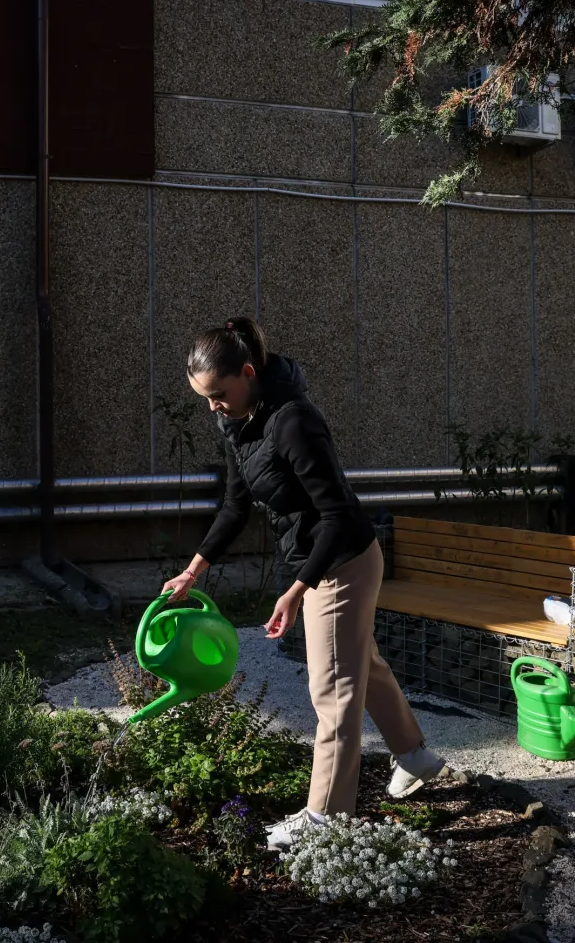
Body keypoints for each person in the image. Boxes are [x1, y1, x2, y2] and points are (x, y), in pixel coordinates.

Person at [160, 317, 446, 850]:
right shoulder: (238, 422)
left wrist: (296, 589)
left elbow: (336, 515)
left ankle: (324, 819)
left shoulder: (295, 423)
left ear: (248, 373)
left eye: (219, 394)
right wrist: (194, 568)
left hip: (342, 561)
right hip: (317, 560)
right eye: (205, 398)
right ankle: (416, 756)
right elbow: (235, 503)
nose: (212, 407)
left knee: (333, 688)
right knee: (362, 664)